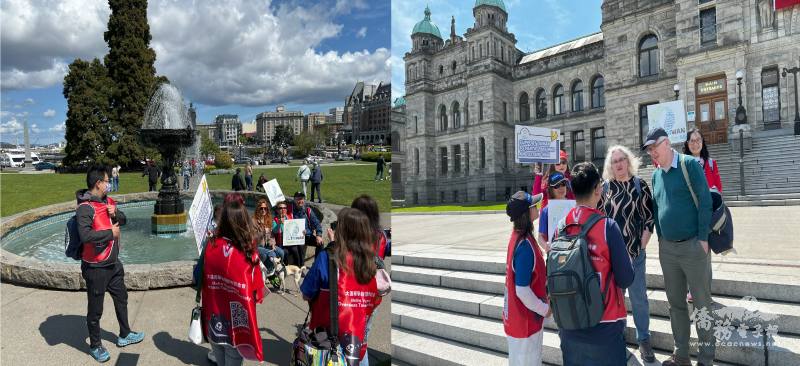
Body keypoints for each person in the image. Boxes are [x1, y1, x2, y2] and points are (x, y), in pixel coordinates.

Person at [643, 128, 714, 366]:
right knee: (675, 305)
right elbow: (657, 208)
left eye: (654, 147)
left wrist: (703, 238)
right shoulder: (655, 175)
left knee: (702, 305)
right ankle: (681, 355)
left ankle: (705, 359)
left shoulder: (688, 165)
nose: (652, 152)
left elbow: (705, 200)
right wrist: (662, 238)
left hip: (694, 246)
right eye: (649, 149)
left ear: (666, 143)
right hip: (669, 250)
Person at [556, 162, 633, 366]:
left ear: (572, 189)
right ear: (598, 189)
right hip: (605, 324)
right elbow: (626, 277)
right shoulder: (608, 226)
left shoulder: (561, 227)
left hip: (568, 322)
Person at [76, 165, 144, 362]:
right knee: (95, 310)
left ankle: (125, 334)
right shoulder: (85, 208)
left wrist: (115, 213)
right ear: (98, 184)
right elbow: (85, 235)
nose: (109, 184)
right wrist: (110, 233)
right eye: (107, 181)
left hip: (113, 264)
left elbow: (124, 220)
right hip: (95, 267)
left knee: (121, 297)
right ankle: (95, 346)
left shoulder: (108, 202)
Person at [300, 208, 382, 364]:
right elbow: (374, 302)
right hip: (357, 342)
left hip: (328, 340)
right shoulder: (370, 262)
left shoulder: (327, 257)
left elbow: (306, 293)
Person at [598, 145, 656, 363]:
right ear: (610, 166)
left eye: (622, 159)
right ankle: (617, 337)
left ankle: (644, 339)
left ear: (629, 161)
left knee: (639, 298)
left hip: (635, 255)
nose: (619, 164)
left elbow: (649, 219)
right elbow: (600, 220)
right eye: (615, 161)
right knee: (616, 300)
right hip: (612, 258)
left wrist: (640, 246)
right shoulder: (605, 189)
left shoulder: (639, 185)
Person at [201, 193, 266, 365]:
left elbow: (199, 277)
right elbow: (258, 291)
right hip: (237, 325)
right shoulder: (248, 252)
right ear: (244, 220)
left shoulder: (211, 245)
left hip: (214, 318)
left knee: (220, 358)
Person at [504, 191, 548, 366]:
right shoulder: (524, 246)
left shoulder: (518, 237)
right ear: (527, 214)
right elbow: (522, 290)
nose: (537, 207)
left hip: (518, 320)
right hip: (525, 324)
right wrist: (545, 309)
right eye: (533, 205)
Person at [536, 172, 570, 252]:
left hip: (572, 254)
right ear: (550, 189)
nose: (561, 188)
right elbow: (540, 236)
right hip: (554, 254)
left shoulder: (574, 206)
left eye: (563, 184)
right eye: (557, 185)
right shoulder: (546, 210)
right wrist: (545, 245)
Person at [683, 128, 722, 193]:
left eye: (698, 140)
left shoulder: (711, 163)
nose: (695, 144)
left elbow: (718, 188)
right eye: (692, 141)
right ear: (687, 143)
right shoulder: (682, 164)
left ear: (702, 141)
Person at [291, 191, 324, 259]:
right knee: (300, 247)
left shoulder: (307, 210)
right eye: (298, 199)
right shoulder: (289, 210)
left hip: (307, 236)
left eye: (302, 199)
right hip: (294, 238)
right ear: (294, 200)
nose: (300, 201)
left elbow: (317, 223)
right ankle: (301, 266)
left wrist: (318, 235)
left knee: (320, 243)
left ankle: (317, 264)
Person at [253, 198, 284, 265]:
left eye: (265, 208)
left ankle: (277, 269)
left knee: (281, 252)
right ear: (258, 209)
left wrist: (272, 244)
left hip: (267, 245)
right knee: (271, 253)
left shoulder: (268, 220)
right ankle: (270, 271)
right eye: (261, 208)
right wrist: (262, 232)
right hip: (258, 246)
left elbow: (271, 235)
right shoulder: (254, 221)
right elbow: (253, 238)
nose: (263, 210)